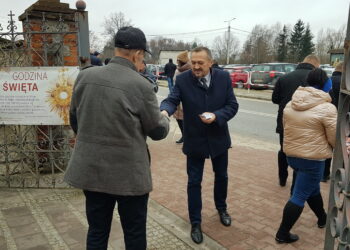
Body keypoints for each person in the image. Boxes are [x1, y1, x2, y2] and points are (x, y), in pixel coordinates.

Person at [64, 26, 170, 250]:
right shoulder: (141, 85)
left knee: (97, 231)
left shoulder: (84, 76)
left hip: (91, 170)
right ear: (138, 53)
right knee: (134, 233)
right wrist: (164, 116)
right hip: (128, 175)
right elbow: (157, 132)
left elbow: (75, 120)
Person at [160, 47, 239, 244]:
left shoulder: (223, 78)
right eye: (193, 62)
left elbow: (232, 105)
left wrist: (217, 116)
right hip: (194, 138)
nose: (195, 67)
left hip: (219, 137)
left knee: (222, 176)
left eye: (200, 63)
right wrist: (164, 111)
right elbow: (172, 99)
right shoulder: (183, 79)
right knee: (194, 181)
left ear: (210, 63)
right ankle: (195, 222)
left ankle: (222, 208)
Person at [275, 68, 337, 244]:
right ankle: (282, 233)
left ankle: (322, 218)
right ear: (325, 84)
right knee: (300, 195)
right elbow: (334, 138)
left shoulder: (290, 103)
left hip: (293, 156)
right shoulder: (327, 108)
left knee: (311, 189)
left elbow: (286, 129)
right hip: (313, 159)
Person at [272, 55, 320, 188]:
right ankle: (296, 184)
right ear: (316, 66)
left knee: (283, 150)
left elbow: (275, 99)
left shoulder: (284, 78)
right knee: (302, 153)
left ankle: (282, 178)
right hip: (307, 124)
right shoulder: (316, 80)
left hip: (285, 121)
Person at [322, 62, 343, 182]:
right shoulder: (346, 83)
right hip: (345, 120)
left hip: (328, 119)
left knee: (328, 147)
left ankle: (324, 174)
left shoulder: (327, 81)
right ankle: (342, 178)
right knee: (345, 149)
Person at [173, 50, 191, 144]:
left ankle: (187, 136)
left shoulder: (190, 70)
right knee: (178, 117)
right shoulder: (178, 69)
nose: (177, 61)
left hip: (187, 98)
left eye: (178, 60)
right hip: (177, 97)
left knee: (186, 119)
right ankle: (184, 135)